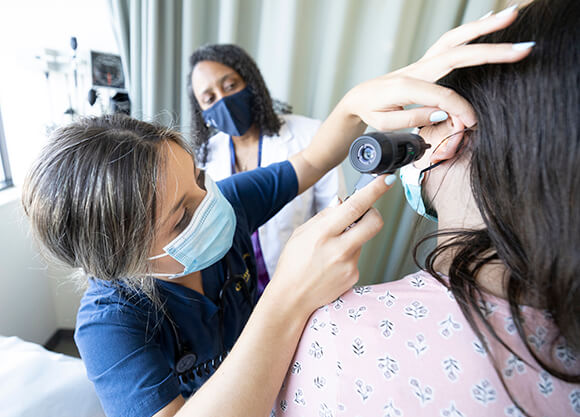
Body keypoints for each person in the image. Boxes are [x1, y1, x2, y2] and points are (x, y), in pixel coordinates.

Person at [21, 6, 533, 417]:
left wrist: (358, 101)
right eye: (180, 219)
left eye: (199, 181)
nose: (211, 206)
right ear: (122, 262)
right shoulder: (110, 324)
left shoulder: (225, 203)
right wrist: (287, 296)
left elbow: (312, 158)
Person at [276, 1, 580, 416]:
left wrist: (284, 304)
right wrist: (350, 106)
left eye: (425, 119)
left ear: (451, 132)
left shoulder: (341, 337)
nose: (416, 131)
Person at [187, 43, 345, 295]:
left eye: (230, 86)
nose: (223, 101)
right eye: (210, 98)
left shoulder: (311, 135)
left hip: (304, 283)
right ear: (202, 113)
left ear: (251, 83)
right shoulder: (202, 160)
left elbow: (338, 218)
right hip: (236, 293)